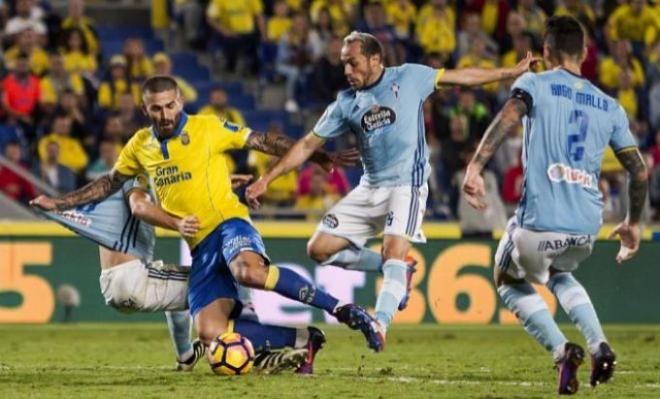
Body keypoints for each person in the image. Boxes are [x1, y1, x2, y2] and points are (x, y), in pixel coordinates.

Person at [30, 75, 383, 354]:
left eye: (170, 106)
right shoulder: (139, 145)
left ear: (179, 101)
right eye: (156, 109)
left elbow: (262, 141)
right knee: (211, 333)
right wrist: (59, 204)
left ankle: (346, 310)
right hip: (200, 247)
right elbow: (109, 184)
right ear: (145, 108)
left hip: (229, 224)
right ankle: (304, 340)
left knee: (249, 272)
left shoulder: (208, 127)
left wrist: (313, 153)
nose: (165, 114)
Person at [246, 31, 535, 351]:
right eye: (344, 64)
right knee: (318, 249)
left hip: (406, 186)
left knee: (393, 250)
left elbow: (463, 77)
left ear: (374, 59)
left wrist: (509, 72)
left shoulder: (410, 76)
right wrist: (266, 180)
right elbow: (305, 146)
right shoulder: (346, 103)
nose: (347, 71)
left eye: (353, 64)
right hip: (369, 187)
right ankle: (401, 270)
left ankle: (379, 322)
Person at [461, 16, 648, 395]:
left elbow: (508, 117)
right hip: (586, 229)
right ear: (585, 52)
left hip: (538, 225)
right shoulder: (610, 106)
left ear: (545, 53)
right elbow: (639, 172)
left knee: (506, 276)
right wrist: (632, 222)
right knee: (559, 274)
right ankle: (599, 344)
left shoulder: (534, 83)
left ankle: (562, 352)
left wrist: (476, 166)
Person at [37, 174, 319, 374]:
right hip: (132, 279)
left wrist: (214, 186)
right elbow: (143, 206)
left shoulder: (126, 183)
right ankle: (288, 343)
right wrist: (179, 223)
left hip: (115, 286)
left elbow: (171, 194)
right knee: (222, 286)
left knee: (187, 294)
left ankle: (186, 356)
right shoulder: (138, 179)